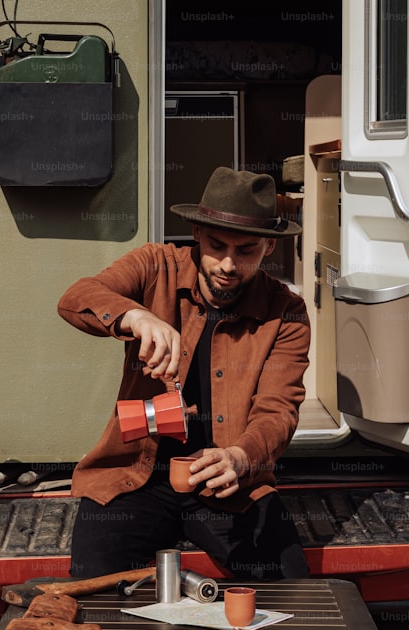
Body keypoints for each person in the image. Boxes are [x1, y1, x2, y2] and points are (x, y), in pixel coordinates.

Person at [57, 166, 311, 581]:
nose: (228, 263)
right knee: (92, 588)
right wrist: (135, 317)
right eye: (217, 245)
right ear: (196, 232)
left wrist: (240, 457)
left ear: (268, 247)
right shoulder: (156, 265)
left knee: (289, 590)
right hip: (135, 477)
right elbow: (76, 298)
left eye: (246, 250)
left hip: (228, 483)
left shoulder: (287, 311)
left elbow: (278, 411)